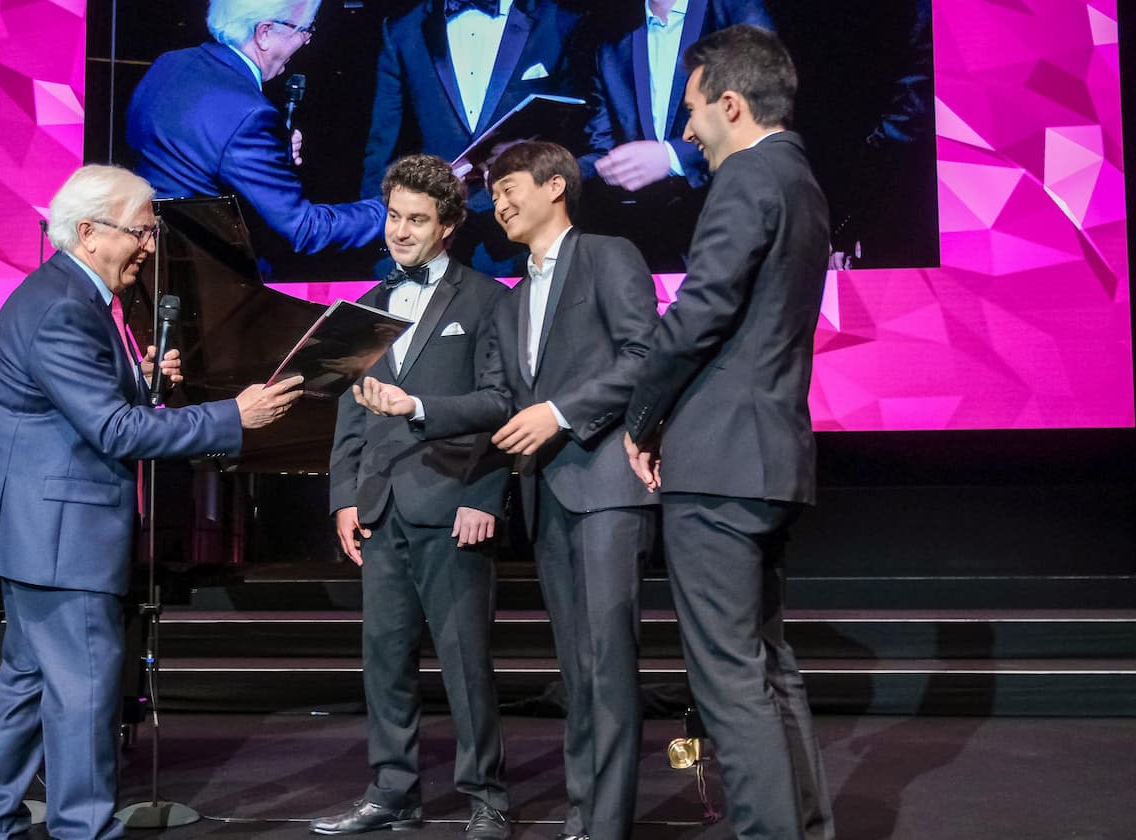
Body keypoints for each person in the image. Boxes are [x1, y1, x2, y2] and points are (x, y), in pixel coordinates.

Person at [0, 164, 303, 840]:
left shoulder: (65, 295)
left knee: (25, 687)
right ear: (89, 232)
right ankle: (82, 830)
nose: (150, 245)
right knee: (82, 697)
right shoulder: (63, 306)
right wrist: (234, 415)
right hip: (61, 537)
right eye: (142, 231)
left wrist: (139, 380)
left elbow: (70, 408)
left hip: (37, 532)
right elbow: (111, 430)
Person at [360, 141, 658, 840]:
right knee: (577, 670)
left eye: (509, 188)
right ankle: (585, 815)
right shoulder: (518, 296)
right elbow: (497, 399)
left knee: (608, 662)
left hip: (606, 485)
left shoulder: (607, 255)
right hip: (549, 493)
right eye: (492, 192)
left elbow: (646, 354)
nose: (500, 202)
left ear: (556, 187)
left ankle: (605, 823)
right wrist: (418, 410)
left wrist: (557, 413)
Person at [621, 25, 833, 840]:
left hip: (719, 466)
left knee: (729, 681)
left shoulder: (746, 178)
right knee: (769, 672)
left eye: (693, 111)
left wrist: (642, 419)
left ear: (732, 105)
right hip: (772, 461)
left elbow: (699, 313)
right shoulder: (801, 180)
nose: (686, 132)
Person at [310, 154, 513, 840]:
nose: (400, 231)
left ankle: (486, 796)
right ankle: (392, 790)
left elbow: (500, 403)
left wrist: (485, 494)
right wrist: (343, 496)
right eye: (394, 216)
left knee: (464, 661)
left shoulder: (487, 299)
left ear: (450, 225)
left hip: (454, 500)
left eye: (417, 220)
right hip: (379, 506)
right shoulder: (365, 302)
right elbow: (349, 410)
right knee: (384, 660)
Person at [126, 0, 384, 260]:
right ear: (264, 32)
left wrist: (270, 153)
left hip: (149, 262)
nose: (306, 40)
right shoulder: (249, 114)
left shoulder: (170, 64)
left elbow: (196, 152)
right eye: (304, 29)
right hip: (207, 279)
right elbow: (304, 230)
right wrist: (393, 212)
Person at [361, 0, 586, 277]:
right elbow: (382, 145)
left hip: (519, 238)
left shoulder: (560, 22)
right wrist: (383, 240)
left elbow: (578, 135)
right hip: (433, 235)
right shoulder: (404, 29)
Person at [577, 0, 773, 272]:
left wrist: (673, 156)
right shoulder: (611, 33)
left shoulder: (734, 10)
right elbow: (602, 146)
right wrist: (549, 172)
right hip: (649, 243)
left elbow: (764, 112)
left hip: (732, 226)